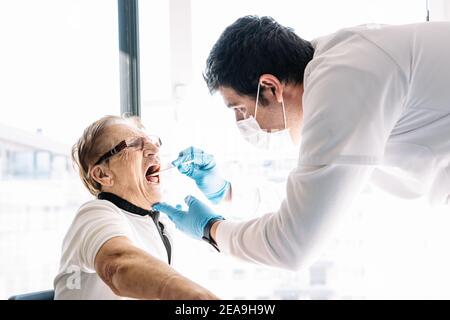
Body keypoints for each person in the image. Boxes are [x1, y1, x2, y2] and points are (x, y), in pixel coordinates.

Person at [153, 16, 450, 271]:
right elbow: (317, 198)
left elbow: (294, 244)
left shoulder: (344, 82)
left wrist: (210, 229)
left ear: (270, 87)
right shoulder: (337, 70)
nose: (241, 123)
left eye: (239, 109)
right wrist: (226, 192)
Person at [54, 115, 218, 299]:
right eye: (133, 144)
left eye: (152, 142)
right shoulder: (95, 214)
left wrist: (211, 229)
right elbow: (118, 265)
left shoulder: (161, 224)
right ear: (103, 174)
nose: (155, 149)